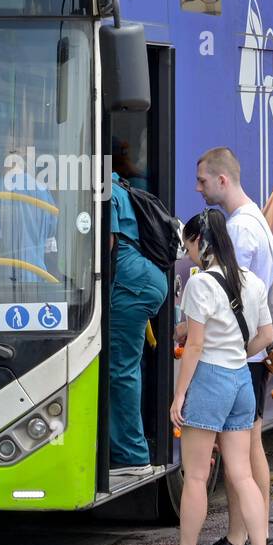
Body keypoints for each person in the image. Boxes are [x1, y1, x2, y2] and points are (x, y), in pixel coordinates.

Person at [149, 209, 273, 545]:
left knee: (195, 476)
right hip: (241, 380)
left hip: (210, 381)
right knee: (241, 474)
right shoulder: (251, 281)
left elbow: (195, 345)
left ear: (201, 243)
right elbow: (267, 336)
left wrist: (179, 396)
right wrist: (237, 349)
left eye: (189, 244)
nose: (187, 252)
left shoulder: (200, 284)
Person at [190, 147, 273, 545]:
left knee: (247, 455)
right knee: (246, 454)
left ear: (222, 180)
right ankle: (244, 538)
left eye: (204, 181)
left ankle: (250, 541)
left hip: (239, 362)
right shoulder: (254, 218)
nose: (199, 188)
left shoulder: (240, 229)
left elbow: (231, 298)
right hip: (250, 358)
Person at [108, 171, 169, 477]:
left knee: (119, 368)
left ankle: (131, 455)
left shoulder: (102, 185)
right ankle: (126, 445)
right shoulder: (120, 184)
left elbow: (106, 244)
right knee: (129, 365)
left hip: (131, 283)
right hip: (145, 279)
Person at [0, 142, 58, 283]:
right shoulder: (44, 192)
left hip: (6, 283)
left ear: (2, 161)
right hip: (38, 281)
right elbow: (49, 250)